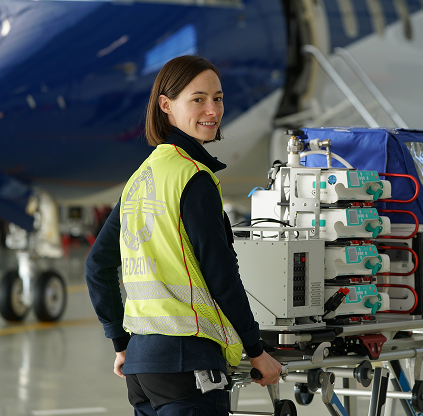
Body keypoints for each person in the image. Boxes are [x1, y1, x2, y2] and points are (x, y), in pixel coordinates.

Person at [85, 55, 282, 415]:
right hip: (189, 364)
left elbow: (97, 264)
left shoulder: (140, 178)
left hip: (143, 367)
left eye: (218, 98)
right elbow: (221, 276)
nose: (212, 110)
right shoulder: (193, 178)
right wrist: (257, 351)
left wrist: (121, 343)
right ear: (166, 105)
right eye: (198, 99)